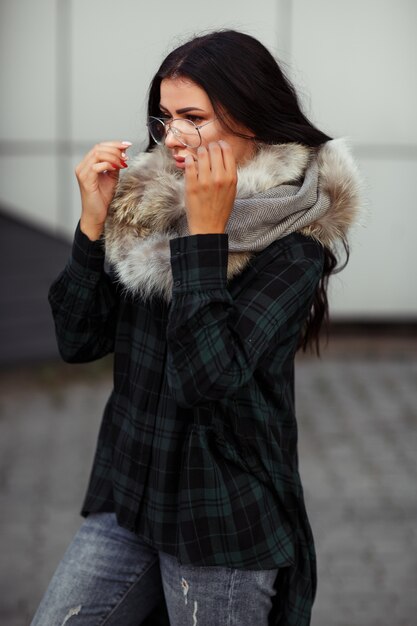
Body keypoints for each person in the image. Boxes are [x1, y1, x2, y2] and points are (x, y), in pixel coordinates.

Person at [31, 29, 361, 626]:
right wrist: (92, 223)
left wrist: (204, 240)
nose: (174, 139)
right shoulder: (151, 204)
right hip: (129, 498)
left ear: (251, 121)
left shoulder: (294, 241)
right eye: (165, 118)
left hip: (221, 524)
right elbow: (77, 341)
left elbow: (205, 377)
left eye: (194, 118)